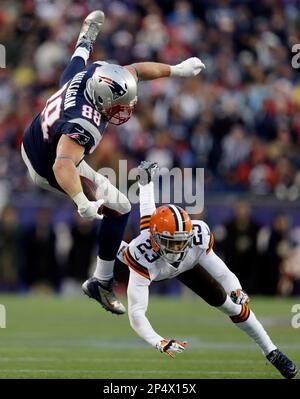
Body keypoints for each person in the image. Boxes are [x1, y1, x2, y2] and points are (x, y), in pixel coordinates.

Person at [20, 10, 205, 315]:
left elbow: (134, 69)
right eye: (119, 105)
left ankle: (102, 279)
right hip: (46, 161)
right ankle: (101, 282)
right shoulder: (85, 123)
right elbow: (61, 166)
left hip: (40, 136)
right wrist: (81, 201)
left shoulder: (97, 75)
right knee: (119, 207)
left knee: (116, 205)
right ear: (102, 100)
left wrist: (177, 70)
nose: (125, 109)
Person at [117, 161, 297, 379]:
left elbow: (222, 273)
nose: (178, 248)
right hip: (155, 268)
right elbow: (136, 313)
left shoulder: (196, 238)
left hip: (187, 267)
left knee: (231, 306)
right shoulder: (140, 253)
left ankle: (272, 352)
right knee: (112, 247)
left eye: (181, 241)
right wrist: (158, 341)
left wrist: (236, 289)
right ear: (155, 241)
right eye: (171, 243)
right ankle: (99, 282)